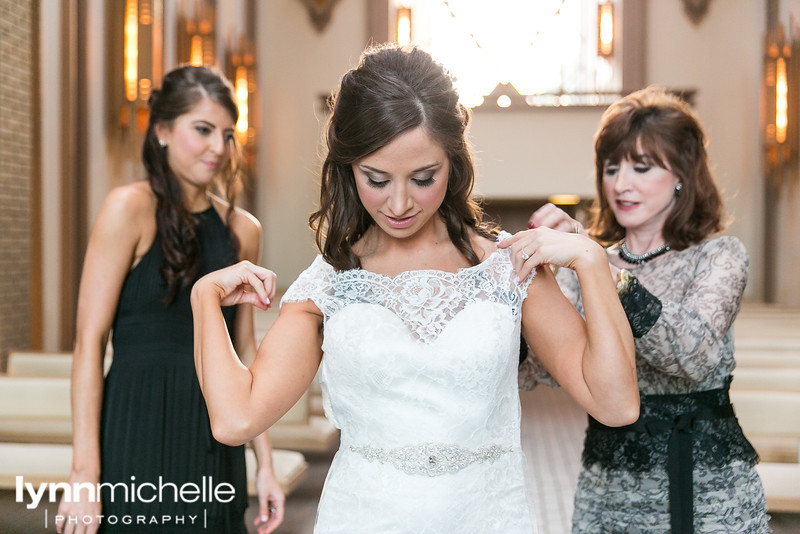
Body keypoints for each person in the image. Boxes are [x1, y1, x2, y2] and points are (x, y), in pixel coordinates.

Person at [190, 44, 639, 534]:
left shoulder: (509, 267)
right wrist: (203, 299)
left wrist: (592, 262)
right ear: (348, 168)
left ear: (454, 161)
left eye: (423, 178)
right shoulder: (331, 282)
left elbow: (615, 404)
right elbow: (235, 420)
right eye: (376, 178)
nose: (399, 203)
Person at [521, 86, 771, 533]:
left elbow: (693, 355)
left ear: (682, 174)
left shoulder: (718, 256)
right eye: (611, 168)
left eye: (641, 167)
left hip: (708, 491)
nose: (620, 184)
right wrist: (527, 281)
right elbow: (535, 370)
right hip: (609, 486)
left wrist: (601, 270)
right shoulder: (586, 262)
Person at [56, 65, 284, 534]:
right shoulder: (127, 209)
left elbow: (246, 356)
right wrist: (84, 474)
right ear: (161, 130)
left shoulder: (244, 229)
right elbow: (89, 343)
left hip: (212, 429)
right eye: (202, 130)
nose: (218, 148)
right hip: (134, 423)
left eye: (227, 134)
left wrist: (265, 464)